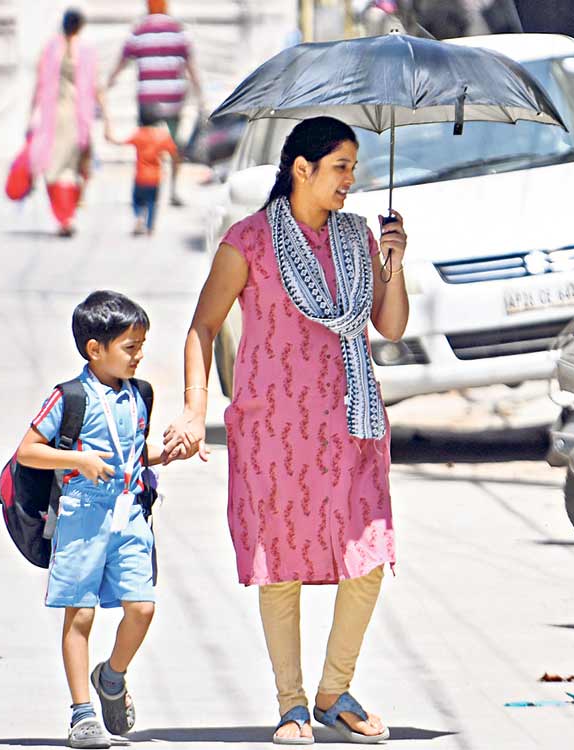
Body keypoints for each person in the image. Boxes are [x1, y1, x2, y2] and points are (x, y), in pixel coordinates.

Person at [162, 116, 410, 745]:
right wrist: (194, 411)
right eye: (341, 168)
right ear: (301, 169)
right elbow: (202, 328)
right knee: (281, 565)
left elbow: (391, 327)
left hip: (353, 425)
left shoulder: (357, 238)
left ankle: (335, 688)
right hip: (274, 428)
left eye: (354, 168)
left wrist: (394, 263)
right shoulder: (247, 243)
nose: (351, 181)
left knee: (369, 556)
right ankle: (292, 703)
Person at [15, 291, 175, 749]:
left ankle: (112, 675)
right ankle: (82, 714)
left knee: (141, 608)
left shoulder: (140, 394)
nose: (139, 356)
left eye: (142, 344)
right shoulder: (69, 397)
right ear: (94, 349)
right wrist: (78, 460)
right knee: (80, 613)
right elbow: (28, 450)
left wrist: (168, 453)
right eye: (130, 347)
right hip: (82, 518)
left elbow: (135, 454)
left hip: (130, 516)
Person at [107, 0, 204, 207]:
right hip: (172, 100)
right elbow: (190, 65)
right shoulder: (178, 31)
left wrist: (109, 83)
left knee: (145, 147)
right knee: (175, 146)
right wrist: (199, 92)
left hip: (148, 99)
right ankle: (173, 190)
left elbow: (122, 60)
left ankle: (143, 189)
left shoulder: (140, 30)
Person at [28, 9, 107, 238]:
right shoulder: (86, 51)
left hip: (56, 118)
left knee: (54, 170)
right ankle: (68, 216)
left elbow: (39, 85)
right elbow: (96, 87)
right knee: (71, 170)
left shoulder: (51, 49)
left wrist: (30, 115)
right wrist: (106, 117)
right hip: (77, 118)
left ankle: (64, 217)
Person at [105, 105, 179, 236]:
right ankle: (150, 227)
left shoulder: (138, 134)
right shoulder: (162, 136)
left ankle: (139, 216)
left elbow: (118, 141)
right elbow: (174, 154)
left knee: (136, 200)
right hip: (156, 177)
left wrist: (108, 132)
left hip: (140, 176)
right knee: (152, 203)